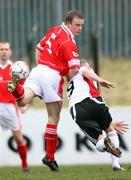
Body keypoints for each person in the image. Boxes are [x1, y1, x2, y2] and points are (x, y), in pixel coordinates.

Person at [8, 10, 84, 171]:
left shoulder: (54, 30)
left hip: (38, 69)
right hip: (52, 75)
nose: (80, 28)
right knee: (53, 116)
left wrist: (41, 69)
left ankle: (15, 87)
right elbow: (74, 68)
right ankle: (49, 156)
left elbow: (38, 48)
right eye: (77, 25)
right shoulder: (69, 41)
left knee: (22, 100)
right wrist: (67, 78)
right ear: (68, 23)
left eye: (81, 26)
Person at [67, 59, 128, 171]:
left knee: (99, 141)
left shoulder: (71, 83)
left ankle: (105, 143)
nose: (90, 69)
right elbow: (84, 69)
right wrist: (100, 80)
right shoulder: (82, 70)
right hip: (95, 102)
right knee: (111, 130)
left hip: (77, 108)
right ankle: (116, 165)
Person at [0, 42, 30, 172]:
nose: (4, 51)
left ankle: (24, 165)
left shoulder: (16, 70)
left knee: (19, 139)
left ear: (10, 51)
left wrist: (25, 104)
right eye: (1, 49)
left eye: (6, 49)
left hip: (9, 107)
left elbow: (24, 89)